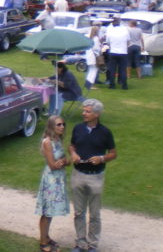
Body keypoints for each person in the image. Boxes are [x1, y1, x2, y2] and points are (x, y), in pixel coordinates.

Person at [69, 99, 117, 252]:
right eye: (84, 111)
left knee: (95, 214)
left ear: (97, 114)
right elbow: (72, 145)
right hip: (78, 174)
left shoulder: (105, 132)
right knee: (78, 212)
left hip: (96, 176)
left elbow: (113, 153)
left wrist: (101, 158)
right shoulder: (77, 128)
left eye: (87, 111)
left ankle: (92, 245)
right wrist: (73, 153)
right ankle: (80, 243)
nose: (83, 113)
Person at [35, 115, 70, 252]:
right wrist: (62, 162)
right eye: (59, 125)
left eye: (63, 124)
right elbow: (53, 165)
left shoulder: (58, 139)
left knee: (51, 212)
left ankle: (46, 236)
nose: (62, 127)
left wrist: (63, 162)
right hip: (51, 181)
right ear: (51, 127)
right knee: (47, 212)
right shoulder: (47, 142)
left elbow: (66, 161)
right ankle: (43, 243)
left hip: (58, 179)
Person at [105, 16, 129, 90]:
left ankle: (112, 85)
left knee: (112, 69)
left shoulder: (110, 31)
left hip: (113, 52)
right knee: (123, 69)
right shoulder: (125, 30)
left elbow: (107, 42)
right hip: (123, 52)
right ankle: (124, 85)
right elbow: (128, 41)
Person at [84, 25, 103, 90]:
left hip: (88, 56)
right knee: (93, 71)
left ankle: (87, 84)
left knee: (90, 70)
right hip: (94, 56)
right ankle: (90, 85)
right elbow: (96, 49)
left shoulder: (87, 37)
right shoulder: (96, 39)